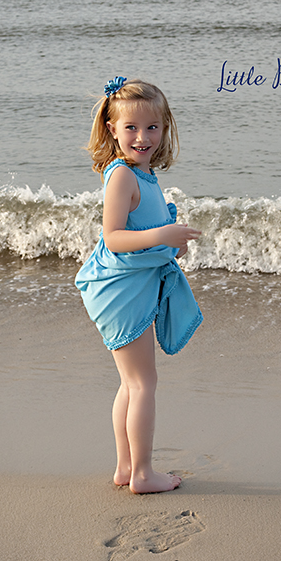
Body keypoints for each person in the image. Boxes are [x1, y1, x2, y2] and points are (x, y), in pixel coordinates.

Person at [75, 77, 203, 494]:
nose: (142, 137)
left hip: (129, 287)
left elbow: (141, 233)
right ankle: (144, 474)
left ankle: (126, 467)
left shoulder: (143, 174)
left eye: (152, 127)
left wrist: (170, 245)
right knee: (143, 384)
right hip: (120, 293)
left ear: (165, 128)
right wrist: (161, 235)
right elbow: (113, 237)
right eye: (131, 127)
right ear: (112, 129)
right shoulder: (121, 177)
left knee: (131, 384)